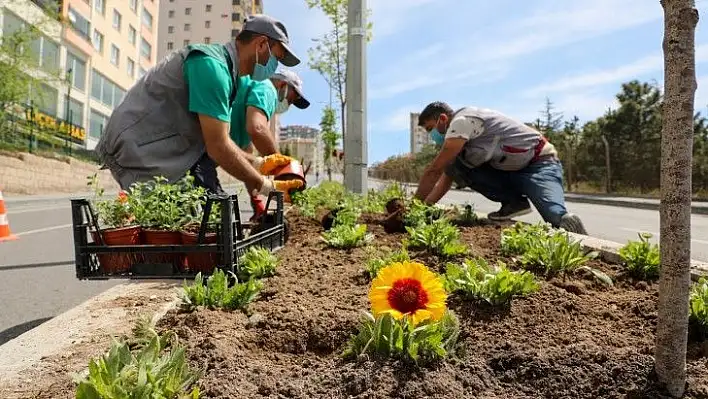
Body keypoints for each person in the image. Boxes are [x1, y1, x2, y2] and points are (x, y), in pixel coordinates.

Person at [95, 14, 303, 201]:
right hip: (140, 146)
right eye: (276, 57)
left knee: (208, 215)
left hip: (161, 146)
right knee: (198, 222)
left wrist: (258, 163)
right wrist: (266, 185)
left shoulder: (229, 75)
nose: (275, 65)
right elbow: (218, 146)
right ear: (261, 44)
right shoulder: (213, 67)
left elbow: (218, 142)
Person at [413, 101, 588, 235]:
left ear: (443, 119)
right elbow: (445, 180)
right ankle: (514, 202)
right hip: (508, 170)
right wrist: (424, 209)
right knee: (456, 165)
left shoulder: (462, 122)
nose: (432, 135)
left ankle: (582, 244)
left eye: (430, 128)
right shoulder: (461, 142)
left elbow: (434, 170)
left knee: (556, 217)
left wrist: (414, 208)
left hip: (539, 164)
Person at [229, 68, 311, 218]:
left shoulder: (251, 106)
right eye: (292, 99)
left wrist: (257, 203)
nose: (290, 104)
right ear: (282, 85)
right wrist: (282, 167)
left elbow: (247, 164)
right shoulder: (267, 88)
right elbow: (258, 128)